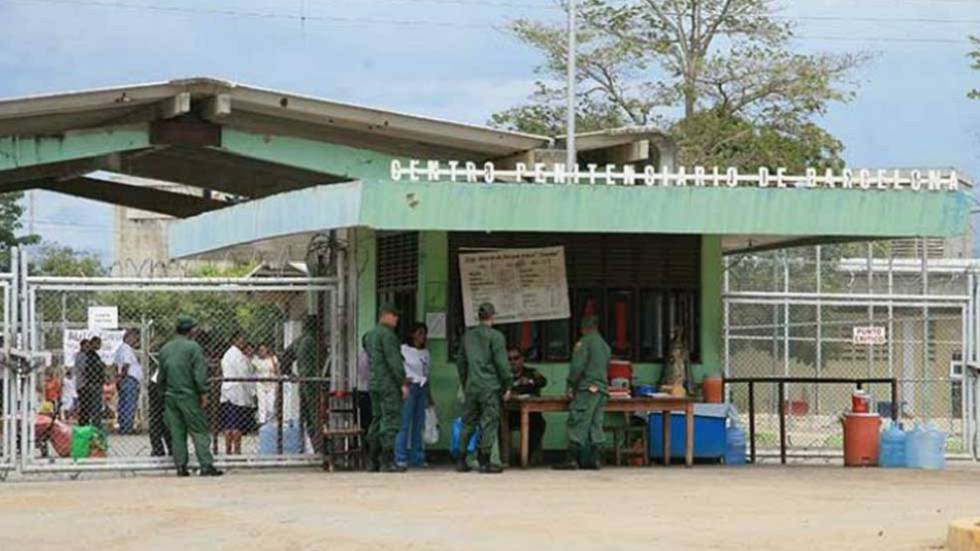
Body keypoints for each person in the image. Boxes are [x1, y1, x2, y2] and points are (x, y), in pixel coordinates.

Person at [158, 316, 222, 477]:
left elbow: (161, 376)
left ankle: (181, 466)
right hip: (189, 395)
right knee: (199, 430)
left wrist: (163, 394)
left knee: (177, 432)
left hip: (170, 396)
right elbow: (199, 373)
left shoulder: (165, 348)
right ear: (191, 330)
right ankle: (206, 465)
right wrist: (204, 392)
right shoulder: (193, 347)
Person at [456, 302, 513, 474]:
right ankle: (484, 461)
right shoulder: (496, 337)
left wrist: (466, 382)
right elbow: (502, 364)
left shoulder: (468, 336)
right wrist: (507, 384)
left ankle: (461, 460)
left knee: (467, 423)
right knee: (489, 422)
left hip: (472, 386)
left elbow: (461, 363)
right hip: (489, 386)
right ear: (492, 317)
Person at [554, 315, 612, 471]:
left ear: (583, 327)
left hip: (587, 388)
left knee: (578, 420)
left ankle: (572, 459)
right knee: (595, 422)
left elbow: (577, 367)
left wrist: (570, 385)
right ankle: (595, 459)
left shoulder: (584, 343)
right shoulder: (605, 345)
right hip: (602, 390)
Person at [364, 304, 407, 473]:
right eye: (395, 315)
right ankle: (387, 461)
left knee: (376, 419)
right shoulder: (388, 335)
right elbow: (394, 362)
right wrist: (402, 383)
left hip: (374, 382)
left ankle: (372, 460)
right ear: (386, 315)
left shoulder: (370, 335)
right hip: (388, 384)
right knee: (390, 420)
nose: (397, 319)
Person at [395, 323, 431, 469]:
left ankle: (417, 456)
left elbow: (427, 374)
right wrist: (403, 382)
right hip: (410, 386)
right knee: (404, 423)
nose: (422, 337)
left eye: (424, 334)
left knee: (419, 424)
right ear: (412, 334)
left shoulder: (425, 353)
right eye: (420, 333)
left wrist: (430, 395)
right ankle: (400, 457)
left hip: (422, 387)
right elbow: (399, 367)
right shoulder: (403, 349)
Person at [507, 347, 548, 463]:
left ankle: (526, 455)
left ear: (522, 359)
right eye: (509, 359)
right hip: (511, 413)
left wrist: (530, 381)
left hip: (531, 413)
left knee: (539, 424)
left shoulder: (531, 372)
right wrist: (515, 384)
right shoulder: (505, 375)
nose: (513, 361)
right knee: (497, 425)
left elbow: (543, 381)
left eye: (516, 358)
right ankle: (504, 457)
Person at [219, 332, 254, 456]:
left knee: (229, 423)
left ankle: (228, 450)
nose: (243, 342)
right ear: (235, 340)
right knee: (236, 425)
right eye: (241, 339)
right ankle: (237, 450)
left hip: (227, 390)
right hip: (238, 391)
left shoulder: (227, 354)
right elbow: (244, 374)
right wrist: (252, 392)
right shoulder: (238, 355)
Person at [295, 316, 322, 451]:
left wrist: (291, 375)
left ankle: (314, 445)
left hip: (303, 381)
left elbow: (285, 356)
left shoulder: (299, 340)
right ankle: (319, 447)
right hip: (313, 382)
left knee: (307, 416)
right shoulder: (312, 340)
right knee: (316, 415)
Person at [113, 329, 143, 435]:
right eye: (134, 338)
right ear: (128, 337)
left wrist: (118, 378)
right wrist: (122, 376)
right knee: (129, 404)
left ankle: (123, 426)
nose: (135, 340)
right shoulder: (126, 349)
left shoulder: (120, 349)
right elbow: (126, 364)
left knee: (123, 403)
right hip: (129, 379)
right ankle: (127, 428)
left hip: (124, 380)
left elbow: (116, 366)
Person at [76, 334, 107, 428]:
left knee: (90, 406)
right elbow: (86, 369)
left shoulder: (93, 355)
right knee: (89, 406)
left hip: (90, 384)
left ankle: (88, 424)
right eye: (98, 343)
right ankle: (88, 425)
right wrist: (100, 366)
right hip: (89, 384)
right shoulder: (87, 356)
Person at [147, 355, 171, 457]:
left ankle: (162, 448)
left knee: (161, 419)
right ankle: (158, 449)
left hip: (160, 384)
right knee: (158, 418)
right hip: (159, 385)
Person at [251, 344, 279, 426]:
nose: (262, 352)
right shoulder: (256, 360)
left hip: (271, 383)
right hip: (261, 384)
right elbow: (252, 371)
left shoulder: (273, 359)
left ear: (267, 349)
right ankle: (262, 423)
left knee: (271, 403)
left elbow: (277, 371)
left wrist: (277, 383)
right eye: (260, 350)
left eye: (263, 349)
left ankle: (270, 423)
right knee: (262, 404)